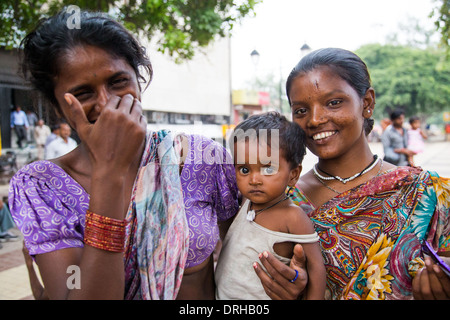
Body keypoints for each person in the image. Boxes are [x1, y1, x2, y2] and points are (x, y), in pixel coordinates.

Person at [9, 9, 238, 300]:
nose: (106, 105)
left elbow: (243, 251)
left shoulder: (202, 158)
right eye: (82, 93)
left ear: (138, 79)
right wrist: (110, 172)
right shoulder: (41, 187)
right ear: (57, 107)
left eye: (118, 81)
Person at [255, 47, 450, 300]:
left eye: (333, 103)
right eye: (301, 110)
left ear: (366, 103)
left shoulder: (426, 192)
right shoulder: (281, 198)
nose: (314, 120)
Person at [215, 112, 326, 299]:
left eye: (268, 168)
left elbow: (316, 269)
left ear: (293, 174)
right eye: (244, 169)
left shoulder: (292, 217)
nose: (254, 179)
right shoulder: (246, 202)